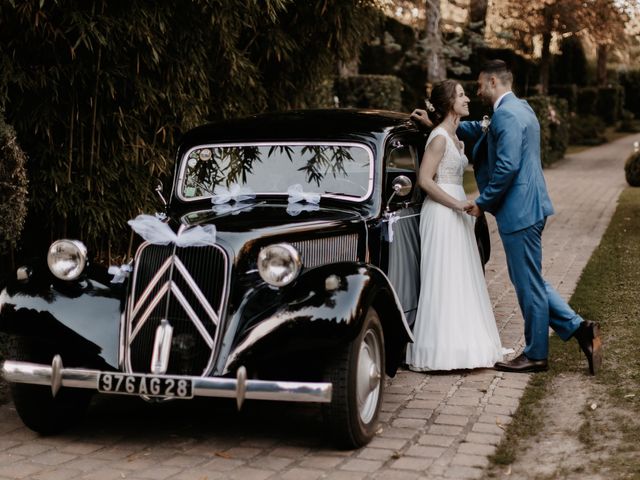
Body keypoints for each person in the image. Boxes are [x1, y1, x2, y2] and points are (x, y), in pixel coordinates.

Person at [411, 60, 602, 374]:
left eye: (479, 85)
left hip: (520, 211)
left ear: (491, 81)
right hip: (528, 207)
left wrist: (482, 202)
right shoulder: (517, 108)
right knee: (530, 280)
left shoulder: (508, 115)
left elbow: (507, 167)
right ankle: (581, 330)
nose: (476, 91)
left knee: (528, 285)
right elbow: (476, 130)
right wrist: (435, 123)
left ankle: (537, 354)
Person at [405, 79, 505, 372]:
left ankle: (464, 342)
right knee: (443, 276)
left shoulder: (453, 134)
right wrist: (456, 204)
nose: (467, 99)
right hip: (442, 212)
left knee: (462, 275)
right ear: (450, 102)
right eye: (461, 95)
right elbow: (424, 180)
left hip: (459, 211)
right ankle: (441, 349)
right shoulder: (438, 137)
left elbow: (448, 144)